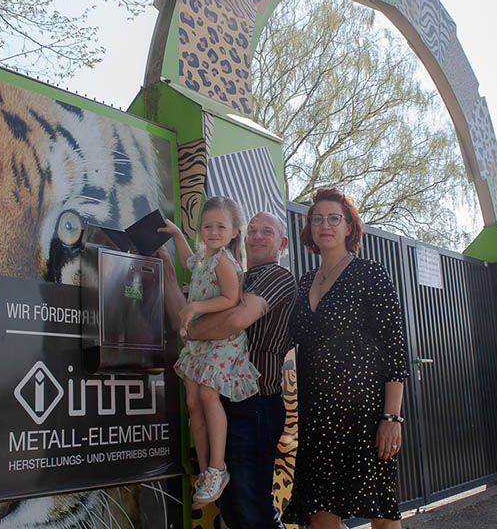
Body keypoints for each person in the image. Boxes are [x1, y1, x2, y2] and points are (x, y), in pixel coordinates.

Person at [159, 210, 297, 528]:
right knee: (233, 510)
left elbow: (233, 322)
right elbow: (181, 315)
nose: (258, 236)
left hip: (256, 405)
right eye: (254, 230)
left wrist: (191, 327)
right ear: (243, 237)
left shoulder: (277, 277)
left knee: (253, 511)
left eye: (268, 232)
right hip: (225, 403)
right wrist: (167, 269)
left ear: (283, 243)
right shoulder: (234, 275)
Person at [281, 187, 408, 529]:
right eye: (318, 219)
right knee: (320, 515)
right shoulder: (305, 281)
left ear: (349, 227)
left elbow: (395, 350)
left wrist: (391, 418)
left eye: (334, 218)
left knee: (380, 513)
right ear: (310, 228)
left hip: (364, 413)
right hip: (316, 414)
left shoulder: (371, 274)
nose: (326, 225)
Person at [158, 196, 260, 507]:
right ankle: (205, 471)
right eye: (207, 226)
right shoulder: (205, 258)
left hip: (220, 342)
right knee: (192, 400)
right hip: (200, 343)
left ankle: (218, 467)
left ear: (233, 232)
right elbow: (189, 261)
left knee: (207, 394)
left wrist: (196, 306)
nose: (213, 231)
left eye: (220, 226)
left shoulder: (225, 261)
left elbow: (231, 298)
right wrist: (177, 235)